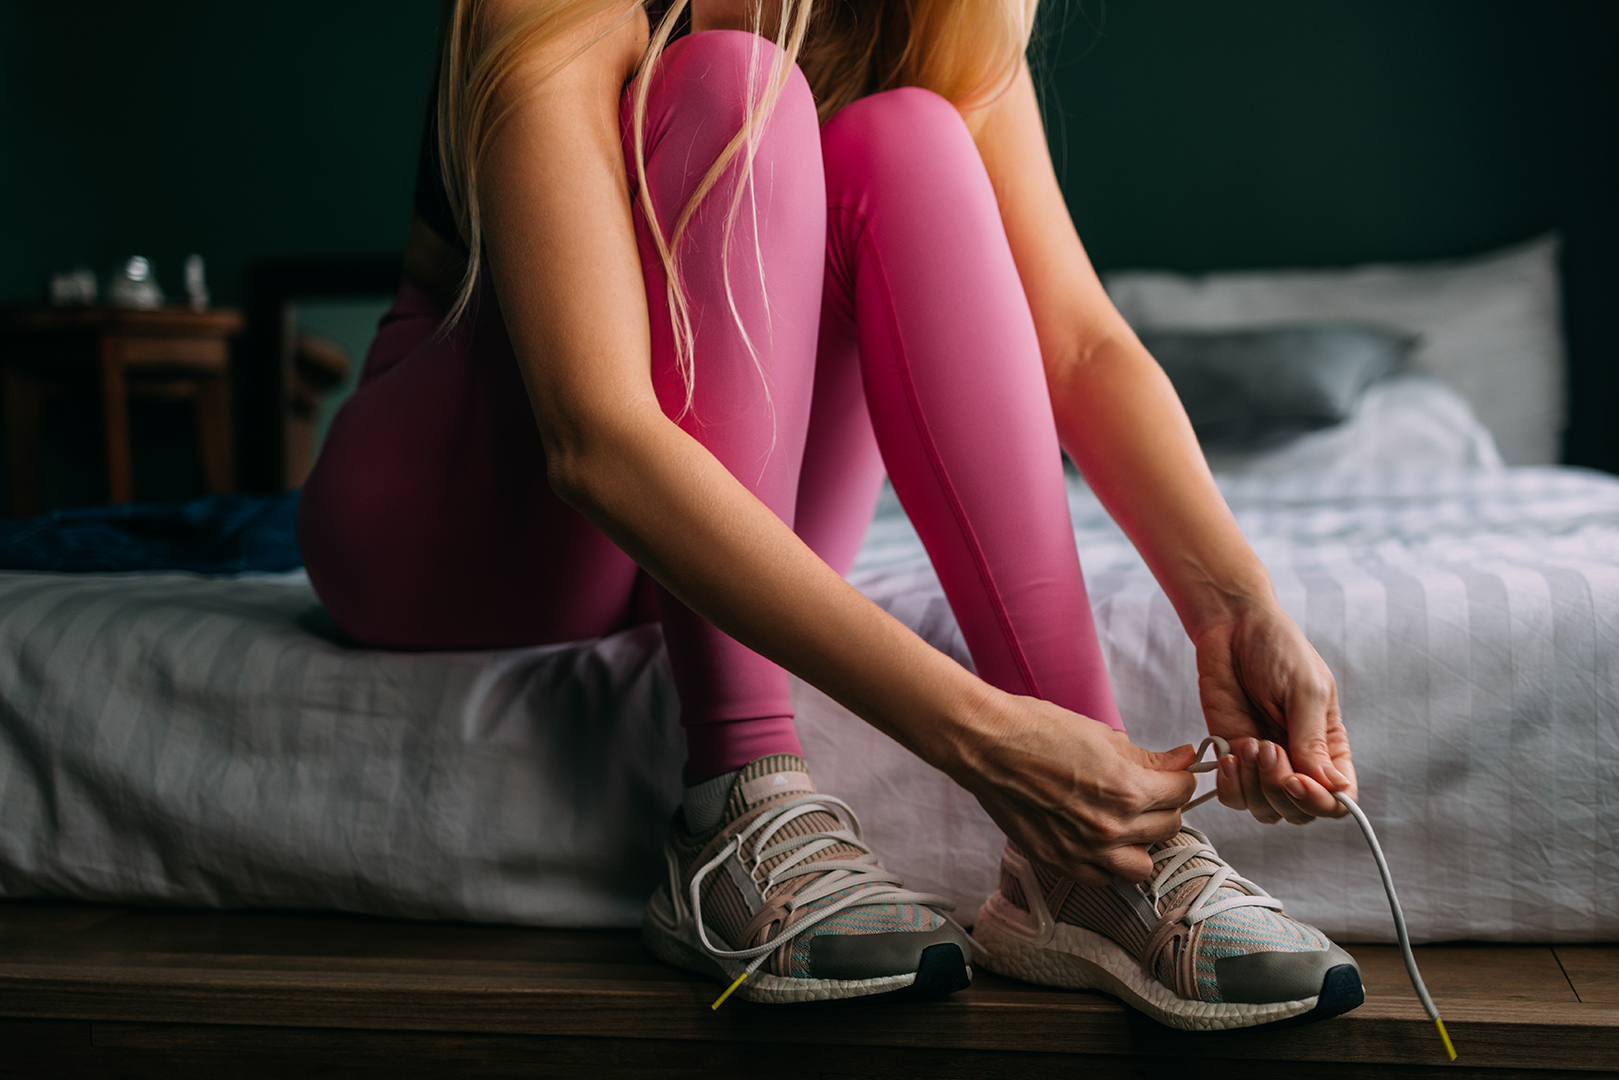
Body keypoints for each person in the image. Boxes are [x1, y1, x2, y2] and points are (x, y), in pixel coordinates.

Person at [298, 0, 1360, 1029]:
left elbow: (1077, 342)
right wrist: (984, 739)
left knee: (913, 136)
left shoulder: (932, 10)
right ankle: (738, 797)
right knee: (736, 85)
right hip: (469, 521)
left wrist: (1235, 609)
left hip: (726, 518)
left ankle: (1088, 867)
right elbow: (594, 436)